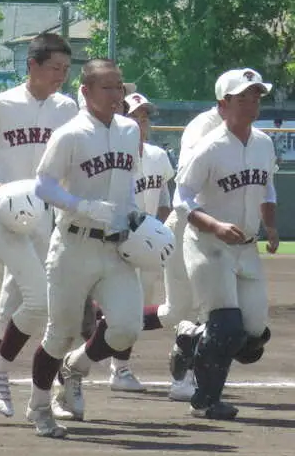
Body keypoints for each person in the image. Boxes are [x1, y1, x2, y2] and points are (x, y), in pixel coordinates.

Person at [0, 33, 77, 424]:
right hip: (1, 212)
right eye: (55, 67)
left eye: (66, 69)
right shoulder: (1, 104)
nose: (61, 75)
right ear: (32, 65)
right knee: (39, 301)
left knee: (9, 307)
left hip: (42, 215)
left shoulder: (67, 108)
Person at [24, 59, 141, 436]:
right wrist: (82, 206)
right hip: (73, 245)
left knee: (126, 328)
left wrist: (135, 216)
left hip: (115, 248)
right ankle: (39, 406)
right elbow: (43, 185)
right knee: (60, 333)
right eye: (107, 87)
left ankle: (75, 368)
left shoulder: (128, 130)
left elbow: (129, 184)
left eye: (119, 87)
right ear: (86, 92)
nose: (116, 95)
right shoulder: (71, 133)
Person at [172, 70, 278, 419]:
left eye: (256, 96)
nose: (252, 102)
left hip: (246, 248)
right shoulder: (209, 147)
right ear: (223, 104)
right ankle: (205, 401)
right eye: (243, 97)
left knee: (252, 336)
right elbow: (181, 198)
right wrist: (214, 225)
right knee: (227, 326)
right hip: (208, 244)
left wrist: (271, 225)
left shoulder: (263, 142)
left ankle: (192, 341)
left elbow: (268, 186)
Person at [87, 90, 174, 394]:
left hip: (146, 247)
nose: (141, 120)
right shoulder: (111, 157)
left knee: (135, 312)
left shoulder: (158, 156)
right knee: (128, 309)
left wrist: (156, 229)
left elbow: (164, 199)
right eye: (134, 114)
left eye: (145, 115)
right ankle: (119, 368)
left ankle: (103, 336)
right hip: (114, 243)